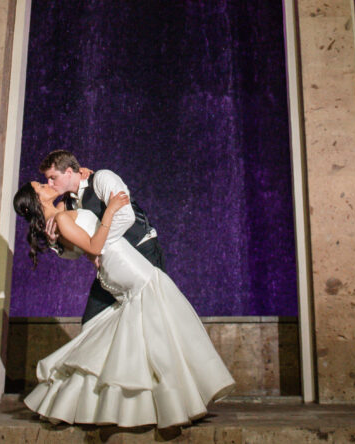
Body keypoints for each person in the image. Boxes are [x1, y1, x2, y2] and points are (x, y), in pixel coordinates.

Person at [13, 181, 234, 428]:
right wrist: (110, 210)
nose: (47, 184)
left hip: (117, 261)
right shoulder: (61, 221)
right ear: (37, 199)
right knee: (152, 309)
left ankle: (147, 401)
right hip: (121, 263)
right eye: (41, 186)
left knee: (139, 325)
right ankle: (168, 401)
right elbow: (94, 247)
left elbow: (88, 249)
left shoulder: (62, 214)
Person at [39, 149, 164, 325]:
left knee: (150, 321)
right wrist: (55, 243)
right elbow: (76, 252)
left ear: (68, 172)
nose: (50, 183)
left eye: (53, 177)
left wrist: (96, 247)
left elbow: (126, 217)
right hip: (111, 265)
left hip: (142, 251)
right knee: (92, 322)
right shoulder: (68, 204)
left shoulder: (102, 178)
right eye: (47, 180)